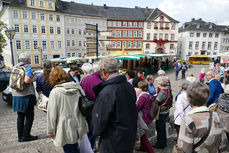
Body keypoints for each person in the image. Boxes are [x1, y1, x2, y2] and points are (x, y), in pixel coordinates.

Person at [92, 57, 138, 153]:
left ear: (103, 71)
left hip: (113, 139)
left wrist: (96, 132)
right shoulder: (128, 86)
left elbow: (100, 119)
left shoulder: (107, 91)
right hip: (128, 134)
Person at [47, 66, 88, 153]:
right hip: (78, 123)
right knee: (76, 147)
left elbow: (52, 114)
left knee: (68, 149)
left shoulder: (55, 92)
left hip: (65, 126)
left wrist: (51, 130)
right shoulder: (77, 87)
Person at [177, 82, 223, 153]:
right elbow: (218, 141)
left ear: (189, 101)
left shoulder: (188, 121)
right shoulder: (217, 116)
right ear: (207, 98)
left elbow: (184, 149)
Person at [11, 53, 38, 142]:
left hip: (16, 94)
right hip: (26, 95)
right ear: (26, 60)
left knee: (20, 116)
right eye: (29, 59)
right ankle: (26, 136)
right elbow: (27, 80)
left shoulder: (15, 67)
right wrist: (34, 79)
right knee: (30, 116)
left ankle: (20, 136)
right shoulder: (27, 67)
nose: (30, 60)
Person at [80, 62, 103, 149]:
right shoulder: (102, 82)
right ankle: (91, 147)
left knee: (86, 130)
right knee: (93, 131)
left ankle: (86, 147)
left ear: (93, 70)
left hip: (86, 109)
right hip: (96, 111)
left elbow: (81, 93)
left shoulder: (85, 79)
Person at [135, 81, 155, 153]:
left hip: (143, 117)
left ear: (141, 88)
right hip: (147, 116)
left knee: (143, 135)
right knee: (142, 135)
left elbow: (137, 107)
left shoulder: (143, 96)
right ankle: (142, 147)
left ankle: (151, 151)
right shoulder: (147, 94)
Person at [153, 76, 171, 149]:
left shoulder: (163, 91)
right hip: (165, 111)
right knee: (162, 128)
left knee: (160, 128)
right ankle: (163, 143)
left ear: (160, 83)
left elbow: (157, 101)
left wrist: (154, 97)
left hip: (161, 112)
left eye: (157, 82)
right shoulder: (167, 89)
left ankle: (160, 144)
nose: (157, 83)